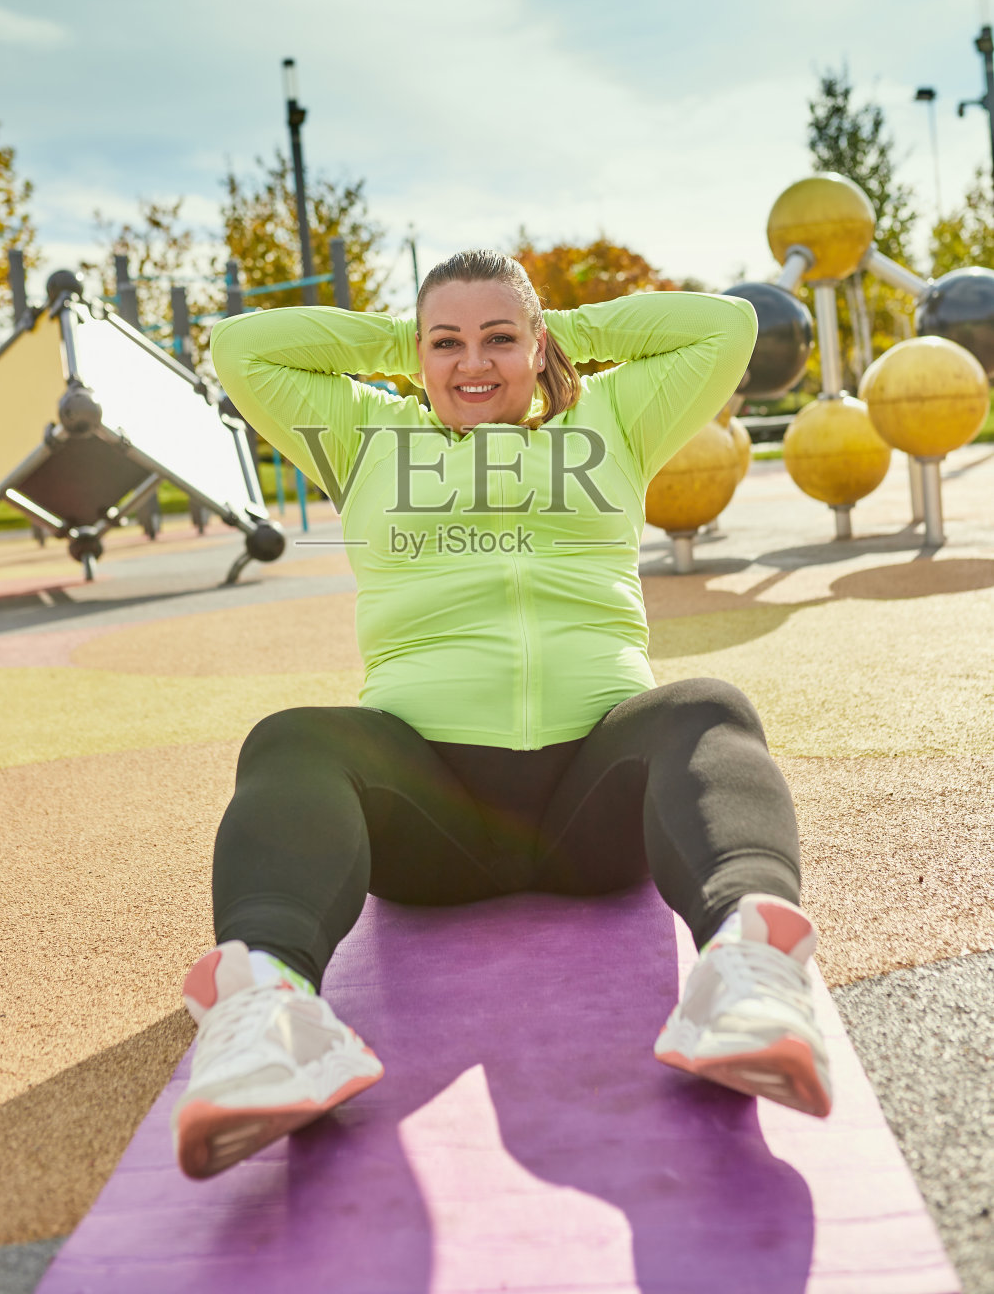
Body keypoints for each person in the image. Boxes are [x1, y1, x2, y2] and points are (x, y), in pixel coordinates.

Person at [171, 251, 831, 1181]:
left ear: (538, 345)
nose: (472, 362)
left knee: (706, 707)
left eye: (498, 340)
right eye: (446, 343)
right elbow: (242, 346)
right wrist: (410, 343)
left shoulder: (611, 419)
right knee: (290, 739)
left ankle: (750, 977)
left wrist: (561, 333)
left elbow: (724, 327)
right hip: (425, 812)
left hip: (597, 805)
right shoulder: (363, 435)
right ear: (416, 353)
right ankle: (267, 1018)